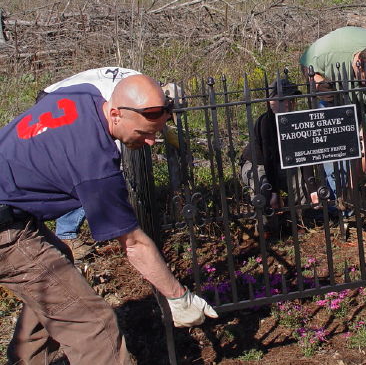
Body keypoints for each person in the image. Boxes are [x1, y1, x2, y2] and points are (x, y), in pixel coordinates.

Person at [0, 74, 216, 364]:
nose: (151, 141)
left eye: (157, 132)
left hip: (13, 207)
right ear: (115, 114)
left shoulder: (83, 94)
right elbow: (134, 244)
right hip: (6, 230)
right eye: (145, 133)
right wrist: (179, 298)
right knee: (94, 325)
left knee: (57, 262)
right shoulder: (95, 164)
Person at [39, 67, 181, 260]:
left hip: (59, 97)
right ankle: (66, 236)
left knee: (84, 172)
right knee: (93, 173)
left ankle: (63, 233)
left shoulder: (141, 85)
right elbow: (115, 133)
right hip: (59, 102)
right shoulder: (129, 96)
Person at [299, 26, 366, 205]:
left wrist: (352, 187)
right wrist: (317, 82)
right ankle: (335, 200)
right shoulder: (328, 52)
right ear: (358, 64)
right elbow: (305, 63)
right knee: (331, 142)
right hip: (333, 91)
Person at [240, 78, 320, 232]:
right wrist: (275, 192)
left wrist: (312, 190)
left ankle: (303, 220)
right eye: (283, 100)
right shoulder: (265, 122)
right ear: (271, 101)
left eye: (292, 99)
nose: (289, 103)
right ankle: (264, 227)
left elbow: (304, 155)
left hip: (281, 165)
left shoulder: (297, 121)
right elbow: (268, 159)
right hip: (258, 164)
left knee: (300, 183)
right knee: (264, 189)